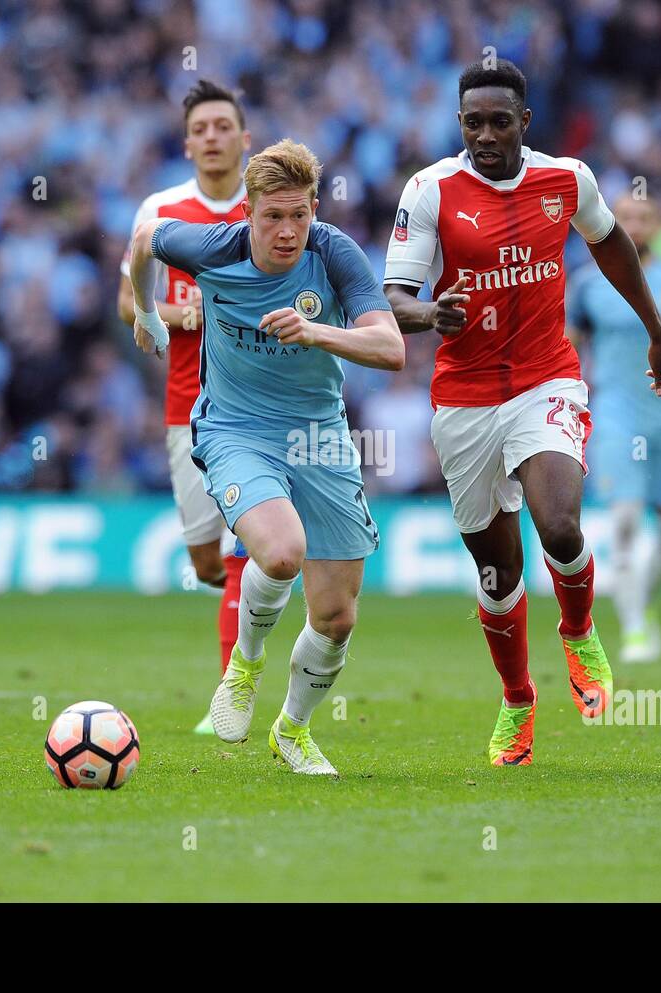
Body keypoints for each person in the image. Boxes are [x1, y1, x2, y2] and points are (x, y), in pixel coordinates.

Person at [383, 61, 661, 766]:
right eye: (472, 122)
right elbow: (395, 297)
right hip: (463, 401)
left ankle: (580, 628)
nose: (485, 134)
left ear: (526, 122)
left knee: (559, 522)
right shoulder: (430, 191)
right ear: (460, 124)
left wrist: (657, 328)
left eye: (499, 120)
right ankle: (519, 698)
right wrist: (431, 311)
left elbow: (610, 241)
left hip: (545, 379)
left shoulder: (567, 179)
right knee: (498, 575)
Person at [129, 139, 402, 775]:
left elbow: (391, 349)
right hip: (236, 428)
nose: (287, 232)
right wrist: (147, 312)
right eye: (273, 216)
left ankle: (294, 729)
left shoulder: (333, 254)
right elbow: (144, 238)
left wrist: (315, 331)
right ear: (247, 210)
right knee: (281, 552)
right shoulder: (209, 247)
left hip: (320, 436)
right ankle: (244, 668)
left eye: (299, 216)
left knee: (336, 618)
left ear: (314, 210)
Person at [117, 79, 253, 735]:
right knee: (206, 562)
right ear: (187, 141)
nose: (212, 137)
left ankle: (233, 693)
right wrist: (176, 311)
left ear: (244, 137)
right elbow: (129, 306)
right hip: (186, 406)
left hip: (258, 405)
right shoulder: (163, 209)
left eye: (223, 125)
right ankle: (251, 593)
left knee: (237, 550)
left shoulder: (270, 207)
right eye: (201, 128)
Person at [567, 193, 661, 662]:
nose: (633, 224)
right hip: (616, 415)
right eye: (625, 217)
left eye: (642, 218)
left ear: (656, 226)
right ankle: (634, 627)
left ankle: (641, 604)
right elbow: (568, 351)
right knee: (626, 519)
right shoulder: (588, 285)